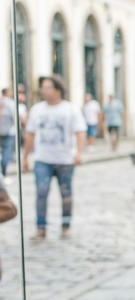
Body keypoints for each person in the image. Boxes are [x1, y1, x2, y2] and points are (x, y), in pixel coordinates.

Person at [22, 76, 86, 239]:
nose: (44, 91)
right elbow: (30, 134)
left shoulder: (70, 109)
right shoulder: (37, 109)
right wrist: (25, 157)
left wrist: (79, 153)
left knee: (66, 194)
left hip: (65, 160)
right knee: (41, 193)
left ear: (58, 90)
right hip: (42, 159)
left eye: (47, 87)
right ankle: (41, 228)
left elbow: (80, 132)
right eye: (43, 88)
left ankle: (66, 226)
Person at [0, 89, 16, 175]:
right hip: (9, 131)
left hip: (1, 131)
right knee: (7, 153)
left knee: (2, 152)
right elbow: (15, 116)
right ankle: (3, 173)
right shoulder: (10, 102)